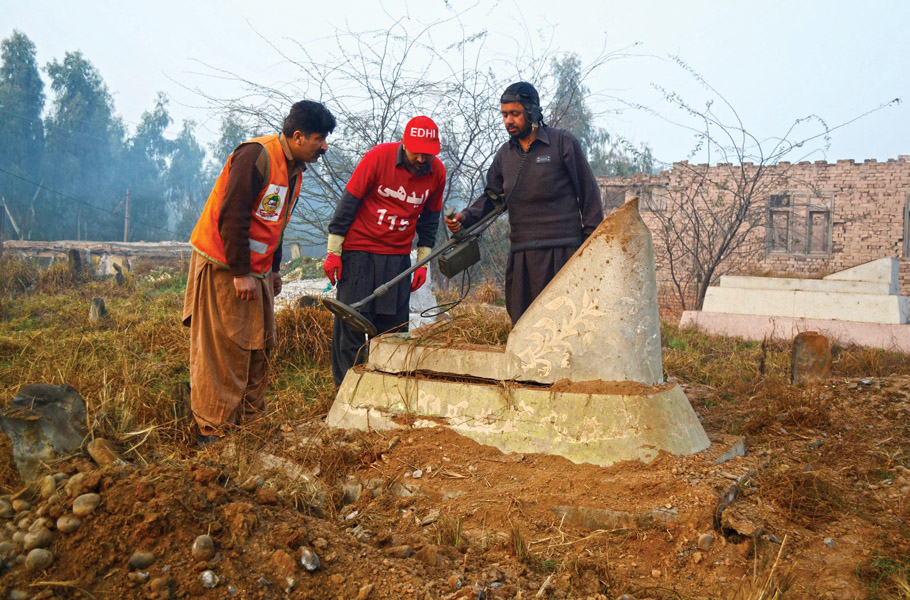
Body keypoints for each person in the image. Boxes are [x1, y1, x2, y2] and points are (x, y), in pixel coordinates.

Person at [183, 100, 336, 445]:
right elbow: (232, 215)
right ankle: (214, 431)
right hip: (224, 265)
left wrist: (274, 269)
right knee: (222, 348)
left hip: (258, 270)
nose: (324, 146)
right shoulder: (256, 155)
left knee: (259, 345)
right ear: (297, 136)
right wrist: (240, 272)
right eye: (319, 138)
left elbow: (274, 223)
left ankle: (249, 427)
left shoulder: (293, 168)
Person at [445, 82, 603, 324]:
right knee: (523, 323)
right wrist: (465, 218)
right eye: (504, 114)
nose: (509, 120)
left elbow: (589, 194)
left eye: (515, 114)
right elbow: (492, 198)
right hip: (522, 255)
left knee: (565, 324)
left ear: (532, 112)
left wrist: (589, 247)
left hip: (563, 252)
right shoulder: (504, 155)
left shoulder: (562, 143)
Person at [324, 116, 446, 387]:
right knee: (353, 326)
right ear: (404, 143)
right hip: (359, 252)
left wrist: (422, 264)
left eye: (428, 153)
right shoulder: (377, 158)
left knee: (392, 330)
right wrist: (334, 252)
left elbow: (429, 222)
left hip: (398, 258)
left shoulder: (436, 173)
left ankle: (384, 390)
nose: (422, 158)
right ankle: (347, 392)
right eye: (417, 152)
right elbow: (347, 205)